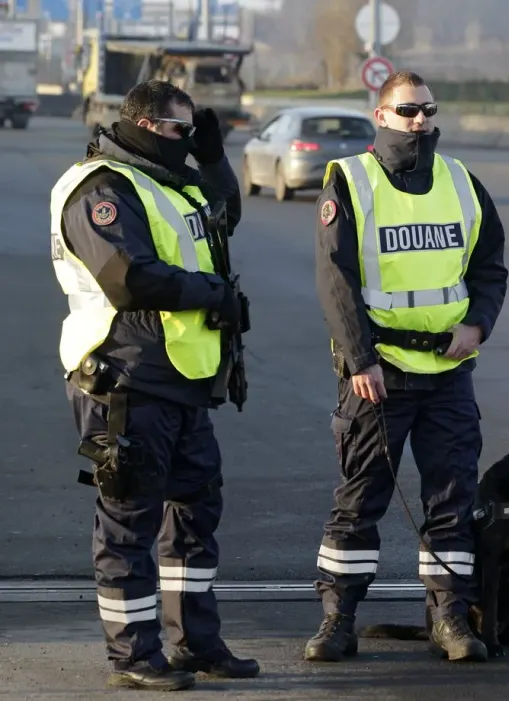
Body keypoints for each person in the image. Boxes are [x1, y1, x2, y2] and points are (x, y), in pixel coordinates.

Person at [49, 79, 259, 691]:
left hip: (182, 380)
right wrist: (214, 294)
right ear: (142, 125)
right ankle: (134, 656)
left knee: (196, 512)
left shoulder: (173, 180)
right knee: (128, 521)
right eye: (177, 132)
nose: (184, 143)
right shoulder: (102, 189)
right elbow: (129, 278)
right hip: (125, 378)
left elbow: (225, 216)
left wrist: (213, 156)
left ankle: (194, 641)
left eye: (191, 132)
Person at [305, 70, 509, 664]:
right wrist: (359, 358)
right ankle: (337, 620)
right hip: (380, 374)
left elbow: (489, 267)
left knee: (452, 497)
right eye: (406, 111)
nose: (419, 121)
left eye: (426, 110)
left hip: (448, 372)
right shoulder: (349, 181)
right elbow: (335, 279)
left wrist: (478, 326)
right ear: (381, 115)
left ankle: (449, 618)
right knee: (360, 498)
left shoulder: (463, 182)